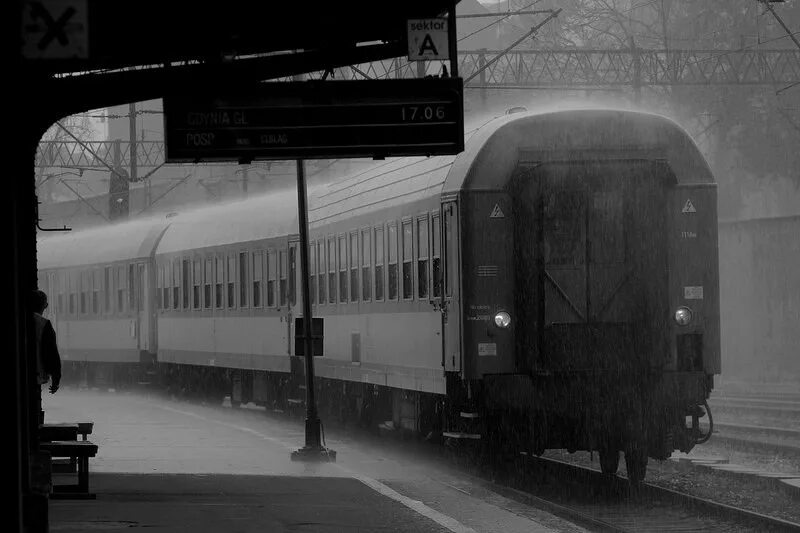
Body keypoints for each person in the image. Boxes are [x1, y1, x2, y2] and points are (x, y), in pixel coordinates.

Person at [32, 290, 61, 425]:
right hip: (36, 376)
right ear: (44, 306)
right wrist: (55, 379)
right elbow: (52, 355)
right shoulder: (44, 324)